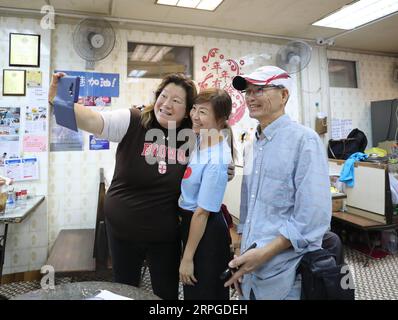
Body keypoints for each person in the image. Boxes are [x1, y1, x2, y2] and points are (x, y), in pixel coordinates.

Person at [49, 72, 197, 300]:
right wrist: (58, 100)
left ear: (187, 110)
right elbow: (92, 120)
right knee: (124, 290)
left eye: (176, 101)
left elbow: (213, 164)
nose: (166, 104)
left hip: (164, 233)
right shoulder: (134, 120)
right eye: (163, 96)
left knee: (167, 293)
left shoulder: (192, 138)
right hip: (122, 230)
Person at [224, 66, 331, 300]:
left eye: (260, 90)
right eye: (248, 92)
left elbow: (313, 216)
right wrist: (241, 249)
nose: (251, 97)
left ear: (284, 95)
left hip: (286, 272)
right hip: (251, 268)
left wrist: (264, 254)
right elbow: (248, 205)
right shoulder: (253, 144)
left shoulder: (304, 140)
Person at [178, 88, 234, 300]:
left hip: (206, 232)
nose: (194, 115)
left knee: (205, 294)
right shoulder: (201, 138)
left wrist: (187, 256)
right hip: (193, 226)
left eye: (202, 112)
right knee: (194, 293)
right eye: (194, 108)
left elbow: (202, 212)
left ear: (220, 120)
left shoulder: (217, 158)